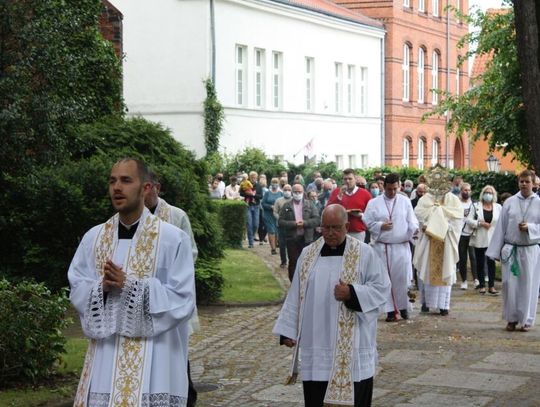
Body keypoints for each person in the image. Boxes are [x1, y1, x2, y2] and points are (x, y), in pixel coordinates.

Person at [68, 158, 195, 406]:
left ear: (146, 188)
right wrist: (101, 288)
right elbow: (77, 286)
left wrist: (131, 286)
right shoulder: (93, 238)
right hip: (105, 358)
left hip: (155, 359)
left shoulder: (173, 239)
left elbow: (183, 299)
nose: (117, 187)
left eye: (126, 180)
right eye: (112, 180)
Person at [273, 204, 390, 407]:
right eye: (325, 228)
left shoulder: (364, 253)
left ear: (346, 226)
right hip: (315, 341)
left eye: (336, 228)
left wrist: (352, 293)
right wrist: (288, 331)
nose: (330, 233)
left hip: (353, 344)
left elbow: (381, 289)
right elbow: (296, 294)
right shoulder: (308, 255)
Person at [144, 170, 199, 406]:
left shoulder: (176, 216)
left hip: (171, 292)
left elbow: (191, 252)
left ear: (157, 187)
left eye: (149, 186)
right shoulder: (133, 218)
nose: (145, 192)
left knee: (176, 348)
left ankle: (185, 396)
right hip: (144, 294)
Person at [487, 170, 540, 332]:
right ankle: (511, 319)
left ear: (533, 184)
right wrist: (495, 251)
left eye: (527, 182)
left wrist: (530, 228)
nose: (524, 184)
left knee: (528, 285)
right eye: (521, 181)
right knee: (509, 285)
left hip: (530, 250)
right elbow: (500, 227)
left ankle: (526, 320)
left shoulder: (539, 202)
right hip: (511, 249)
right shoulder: (509, 202)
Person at [363, 173, 418, 322]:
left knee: (403, 279)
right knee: (386, 280)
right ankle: (390, 310)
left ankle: (404, 307)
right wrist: (381, 225)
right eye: (389, 189)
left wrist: (414, 230)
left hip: (401, 246)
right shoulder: (374, 203)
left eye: (395, 189)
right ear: (384, 187)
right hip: (383, 248)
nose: (392, 192)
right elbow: (367, 221)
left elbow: (412, 221)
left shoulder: (405, 201)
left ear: (398, 186)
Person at [413, 165, 463, 315]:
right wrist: (427, 225)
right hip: (429, 241)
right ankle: (426, 303)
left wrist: (444, 226)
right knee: (427, 270)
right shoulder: (425, 199)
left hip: (446, 240)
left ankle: (443, 305)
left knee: (445, 269)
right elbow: (419, 215)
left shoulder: (453, 200)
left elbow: (458, 218)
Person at [278, 183, 320, 281]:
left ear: (303, 192)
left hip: (307, 239)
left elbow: (317, 220)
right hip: (292, 238)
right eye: (295, 192)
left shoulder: (309, 204)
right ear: (292, 192)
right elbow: (280, 221)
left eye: (299, 192)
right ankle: (293, 283)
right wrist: (294, 224)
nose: (297, 194)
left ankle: (306, 282)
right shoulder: (286, 206)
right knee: (293, 261)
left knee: (307, 261)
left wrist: (305, 223)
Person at [470, 185, 501, 295]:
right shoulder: (476, 206)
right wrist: (480, 223)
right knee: (480, 262)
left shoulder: (498, 207)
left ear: (494, 195)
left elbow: (501, 222)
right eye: (486, 192)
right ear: (483, 194)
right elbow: (468, 220)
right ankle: (482, 285)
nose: (488, 195)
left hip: (492, 238)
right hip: (480, 237)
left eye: (491, 193)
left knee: (491, 262)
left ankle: (491, 286)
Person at [327, 168, 372, 241]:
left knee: (356, 252)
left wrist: (360, 215)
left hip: (357, 232)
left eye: (350, 179)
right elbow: (328, 209)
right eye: (345, 179)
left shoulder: (365, 194)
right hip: (339, 231)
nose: (347, 181)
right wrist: (339, 197)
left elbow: (372, 214)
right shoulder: (336, 192)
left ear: (355, 179)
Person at [457, 182, 479, 289]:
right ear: (461, 191)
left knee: (473, 257)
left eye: (469, 190)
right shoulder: (456, 203)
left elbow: (478, 217)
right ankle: (464, 280)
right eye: (465, 190)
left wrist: (475, 223)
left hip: (472, 233)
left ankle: (476, 279)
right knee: (462, 258)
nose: (467, 192)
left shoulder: (475, 204)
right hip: (460, 234)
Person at [240, 171, 263, 248]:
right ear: (249, 177)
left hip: (256, 206)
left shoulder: (259, 186)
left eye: (255, 177)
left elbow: (261, 196)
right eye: (252, 177)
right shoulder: (245, 183)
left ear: (256, 178)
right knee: (249, 224)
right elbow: (241, 193)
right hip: (248, 205)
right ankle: (250, 242)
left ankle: (252, 236)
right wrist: (247, 193)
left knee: (256, 224)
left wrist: (253, 194)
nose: (253, 179)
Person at [262, 177, 283, 255]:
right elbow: (263, 203)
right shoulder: (267, 193)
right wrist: (270, 206)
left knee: (276, 231)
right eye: (273, 183)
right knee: (271, 231)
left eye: (276, 182)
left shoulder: (281, 193)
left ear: (278, 184)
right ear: (271, 183)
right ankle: (273, 248)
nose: (274, 184)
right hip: (268, 215)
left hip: (277, 215)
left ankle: (276, 245)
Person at [274, 184, 293, 268]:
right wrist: (280, 219)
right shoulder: (278, 200)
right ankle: (283, 261)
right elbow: (275, 212)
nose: (287, 191)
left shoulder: (294, 200)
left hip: (292, 226)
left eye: (289, 189)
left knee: (291, 244)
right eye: (285, 189)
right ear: (282, 190)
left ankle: (292, 260)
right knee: (282, 244)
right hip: (281, 226)